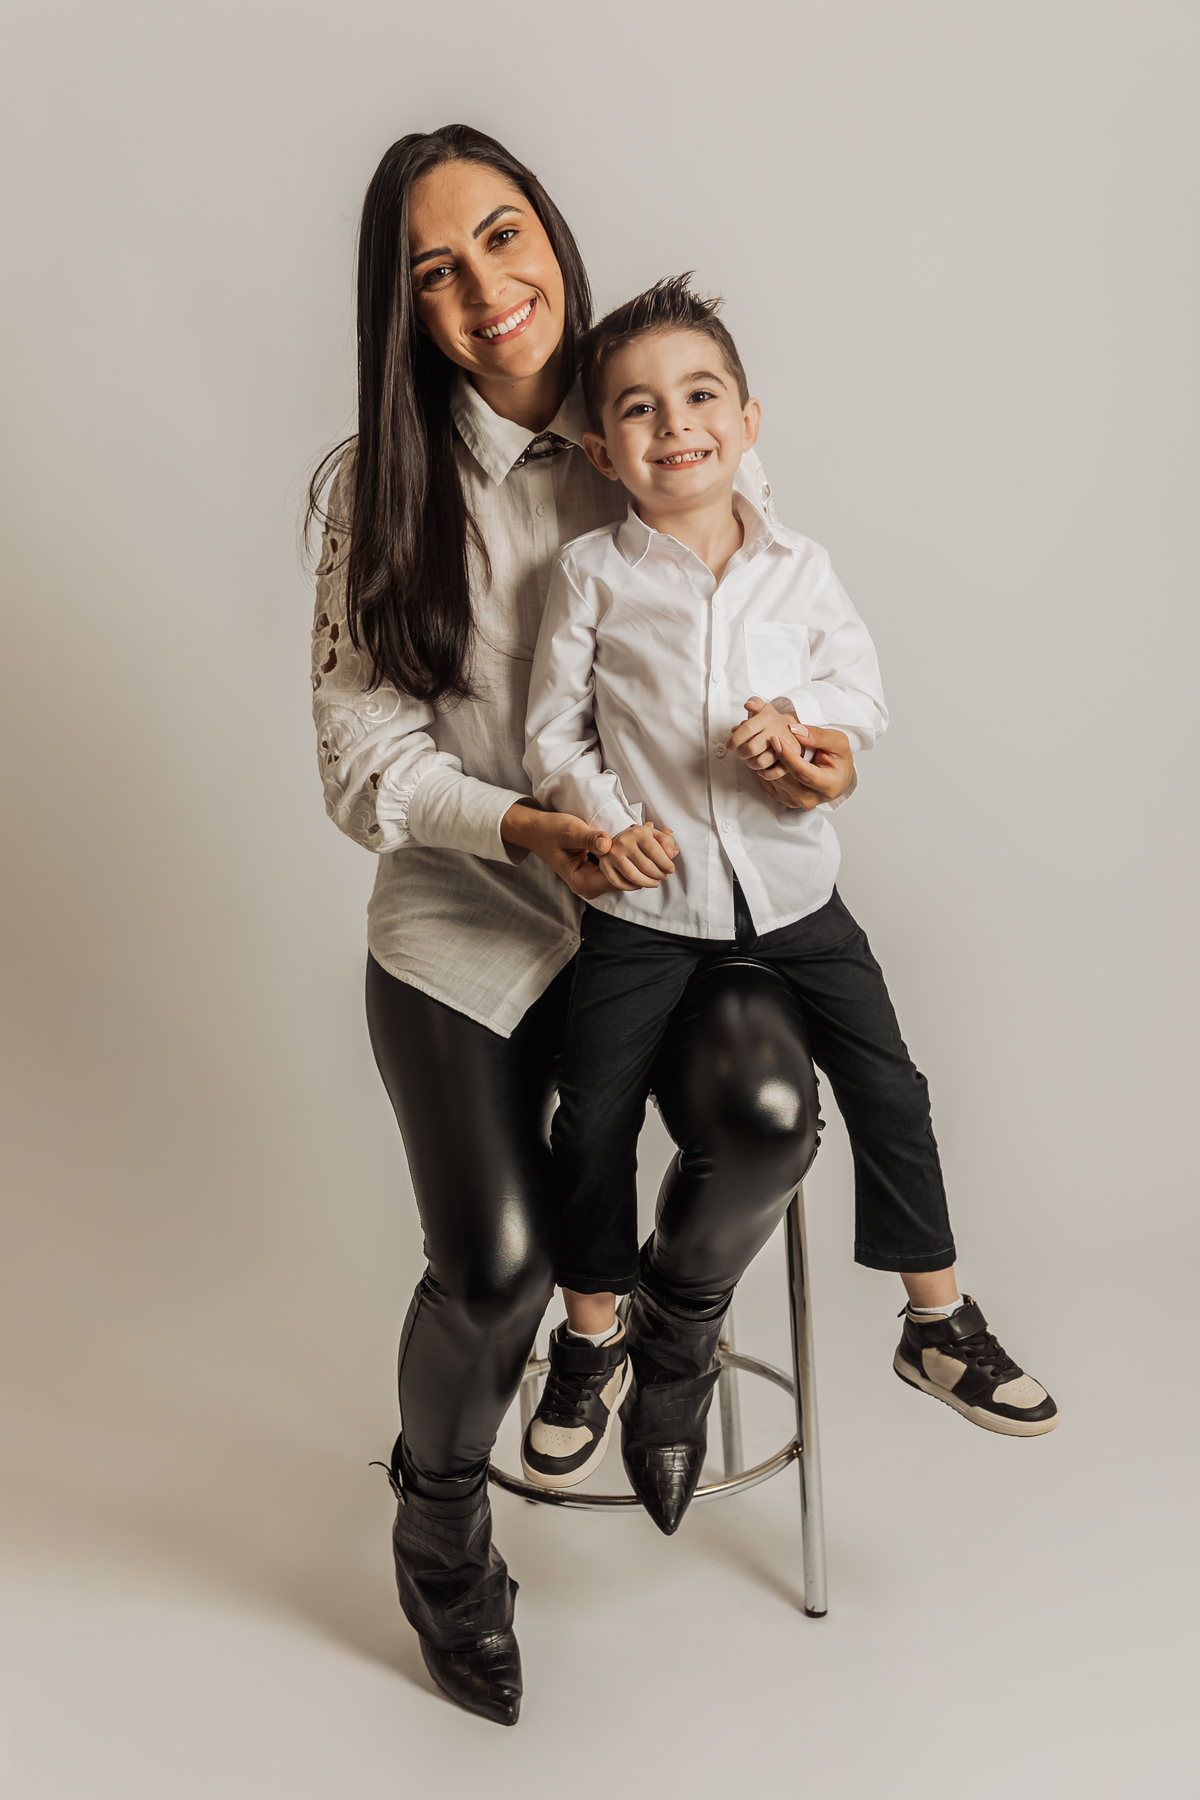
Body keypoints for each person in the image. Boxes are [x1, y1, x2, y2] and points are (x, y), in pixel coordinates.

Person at [313, 123, 928, 1730]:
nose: (485, 288)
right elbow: (363, 766)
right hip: (469, 924)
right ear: (402, 308)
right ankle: (441, 1533)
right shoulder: (376, 488)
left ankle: (670, 1333)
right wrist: (532, 826)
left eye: (503, 236)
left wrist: (815, 750)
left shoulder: (657, 408)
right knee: (498, 1273)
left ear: (553, 236)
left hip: (676, 917)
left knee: (773, 1115)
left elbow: (778, 644)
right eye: (434, 270)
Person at [518, 276, 1058, 1497]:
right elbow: (555, 734)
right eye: (639, 409)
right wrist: (612, 822)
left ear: (749, 421)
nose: (676, 424)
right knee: (590, 1113)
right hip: (647, 913)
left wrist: (801, 724)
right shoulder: (592, 574)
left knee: (891, 1086)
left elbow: (861, 695)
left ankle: (937, 1321)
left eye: (701, 396)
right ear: (602, 452)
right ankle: (592, 1335)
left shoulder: (801, 567)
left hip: (794, 898)